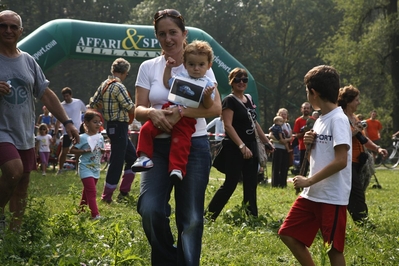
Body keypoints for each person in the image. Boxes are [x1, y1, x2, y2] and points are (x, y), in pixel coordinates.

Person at [134, 8, 221, 265]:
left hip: (194, 145)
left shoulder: (199, 63)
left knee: (192, 217)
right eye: (162, 34)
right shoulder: (149, 67)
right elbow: (137, 110)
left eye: (173, 32)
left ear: (184, 34)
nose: (168, 38)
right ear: (157, 37)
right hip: (156, 149)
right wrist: (151, 112)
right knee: (150, 209)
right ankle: (168, 259)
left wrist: (180, 114)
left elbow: (215, 108)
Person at [0, 10, 80, 231]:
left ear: (21, 31)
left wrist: (68, 123)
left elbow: (45, 94)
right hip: (1, 130)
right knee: (13, 171)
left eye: (13, 27)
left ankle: (15, 236)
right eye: (3, 26)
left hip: (24, 131)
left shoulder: (28, 60)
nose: (8, 30)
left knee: (23, 182)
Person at [278, 65, 352, 266]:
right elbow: (318, 159)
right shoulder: (320, 119)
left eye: (306, 92)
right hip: (312, 194)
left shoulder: (338, 119)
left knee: (333, 249)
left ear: (314, 93)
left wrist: (308, 180)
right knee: (288, 234)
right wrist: (310, 145)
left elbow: (340, 161)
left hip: (332, 197)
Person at [132, 40, 216, 180]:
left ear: (208, 66)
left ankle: (177, 168)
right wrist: (168, 68)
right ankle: (144, 157)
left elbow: (209, 106)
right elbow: (167, 83)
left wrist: (207, 96)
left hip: (187, 119)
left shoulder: (207, 83)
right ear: (185, 65)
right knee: (146, 129)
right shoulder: (182, 76)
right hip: (168, 110)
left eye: (201, 65)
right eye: (191, 64)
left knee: (181, 142)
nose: (196, 68)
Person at [206, 67, 273, 221]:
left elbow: (254, 122)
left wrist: (266, 142)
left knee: (251, 184)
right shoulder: (229, 100)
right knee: (230, 184)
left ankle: (251, 218)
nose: (241, 82)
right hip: (234, 147)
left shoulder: (248, 98)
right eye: (238, 79)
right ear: (231, 81)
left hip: (251, 145)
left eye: (244, 79)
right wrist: (242, 146)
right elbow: (228, 126)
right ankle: (209, 216)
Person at [337, 85, 387, 226]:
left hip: (358, 161)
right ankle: (364, 224)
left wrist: (377, 148)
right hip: (345, 162)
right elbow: (340, 137)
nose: (359, 102)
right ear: (348, 101)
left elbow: (363, 139)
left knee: (354, 193)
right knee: (356, 193)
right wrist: (354, 131)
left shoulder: (353, 118)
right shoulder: (340, 117)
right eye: (356, 100)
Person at [89, 57, 136, 203]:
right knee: (117, 161)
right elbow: (130, 106)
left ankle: (124, 191)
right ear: (124, 72)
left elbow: (93, 103)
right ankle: (107, 196)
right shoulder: (119, 87)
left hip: (111, 125)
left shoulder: (105, 84)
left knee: (132, 157)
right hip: (120, 126)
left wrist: (106, 108)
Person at [70, 111, 105, 220]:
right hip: (85, 168)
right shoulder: (82, 137)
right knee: (92, 192)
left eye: (99, 122)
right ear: (87, 123)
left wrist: (103, 151)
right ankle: (95, 215)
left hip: (95, 168)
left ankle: (81, 210)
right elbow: (72, 150)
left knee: (87, 191)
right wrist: (84, 150)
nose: (98, 124)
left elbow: (101, 149)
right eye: (95, 122)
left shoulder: (100, 137)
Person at [54, 87, 86, 174]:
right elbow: (58, 121)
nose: (66, 98)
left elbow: (86, 112)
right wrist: (55, 133)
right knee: (64, 151)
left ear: (71, 95)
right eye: (64, 96)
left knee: (77, 151)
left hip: (78, 130)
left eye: (67, 96)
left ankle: (78, 170)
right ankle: (60, 169)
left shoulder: (78, 102)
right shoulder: (61, 105)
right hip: (66, 132)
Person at [269, 108, 293, 188]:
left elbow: (290, 135)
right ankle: (275, 184)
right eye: (281, 114)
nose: (283, 115)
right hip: (277, 148)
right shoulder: (275, 125)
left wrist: (288, 139)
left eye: (285, 114)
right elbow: (270, 135)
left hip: (285, 149)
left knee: (284, 167)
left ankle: (283, 184)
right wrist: (280, 140)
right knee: (276, 167)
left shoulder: (287, 125)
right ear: (278, 115)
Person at [293, 102, 313, 176]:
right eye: (304, 108)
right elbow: (296, 135)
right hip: (302, 147)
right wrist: (305, 132)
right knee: (303, 167)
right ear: (301, 109)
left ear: (310, 109)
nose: (306, 110)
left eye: (308, 108)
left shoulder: (314, 120)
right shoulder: (298, 120)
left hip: (313, 147)